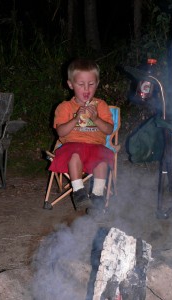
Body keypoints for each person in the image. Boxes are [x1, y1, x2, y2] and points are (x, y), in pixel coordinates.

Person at [49, 58, 114, 213]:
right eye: (81, 84)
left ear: (97, 84)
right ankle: (79, 192)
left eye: (91, 84)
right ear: (71, 85)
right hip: (71, 145)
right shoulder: (65, 107)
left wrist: (96, 118)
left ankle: (97, 196)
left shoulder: (101, 105)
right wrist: (75, 118)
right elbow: (61, 132)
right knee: (75, 155)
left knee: (103, 159)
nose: (86, 88)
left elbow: (109, 130)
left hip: (95, 146)